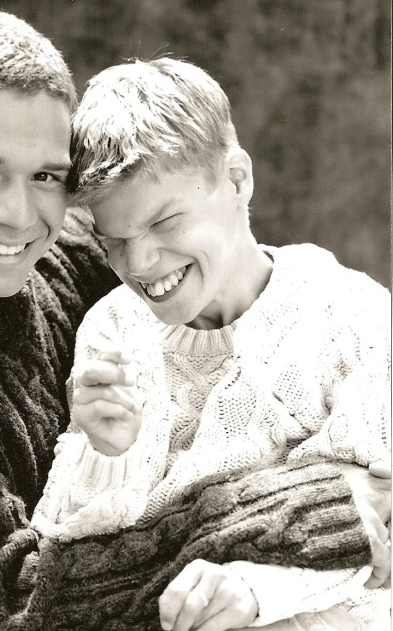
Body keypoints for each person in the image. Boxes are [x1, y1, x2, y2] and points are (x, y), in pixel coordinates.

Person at [0, 13, 385, 631]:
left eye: (45, 177)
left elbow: (251, 303)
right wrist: (318, 511)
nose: (17, 215)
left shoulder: (85, 249)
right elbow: (13, 612)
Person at [31, 57, 391, 630]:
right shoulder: (113, 329)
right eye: (114, 240)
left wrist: (255, 588)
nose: (139, 263)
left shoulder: (352, 317)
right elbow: (65, 568)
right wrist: (105, 453)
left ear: (238, 178)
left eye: (165, 221)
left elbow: (377, 534)